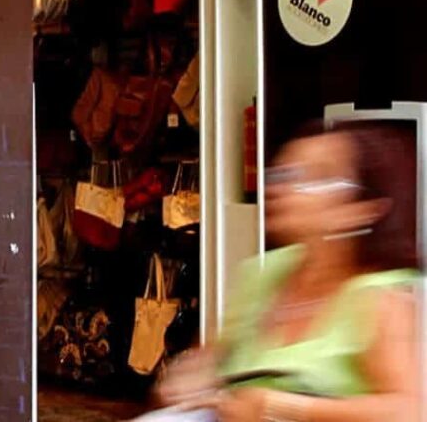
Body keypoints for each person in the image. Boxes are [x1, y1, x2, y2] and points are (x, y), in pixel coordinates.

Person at [148, 123, 423, 422]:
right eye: (281, 175)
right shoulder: (263, 273)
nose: (281, 189)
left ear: (362, 209)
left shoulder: (387, 296)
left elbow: (412, 411)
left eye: (316, 177)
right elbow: (213, 356)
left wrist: (278, 406)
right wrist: (192, 376)